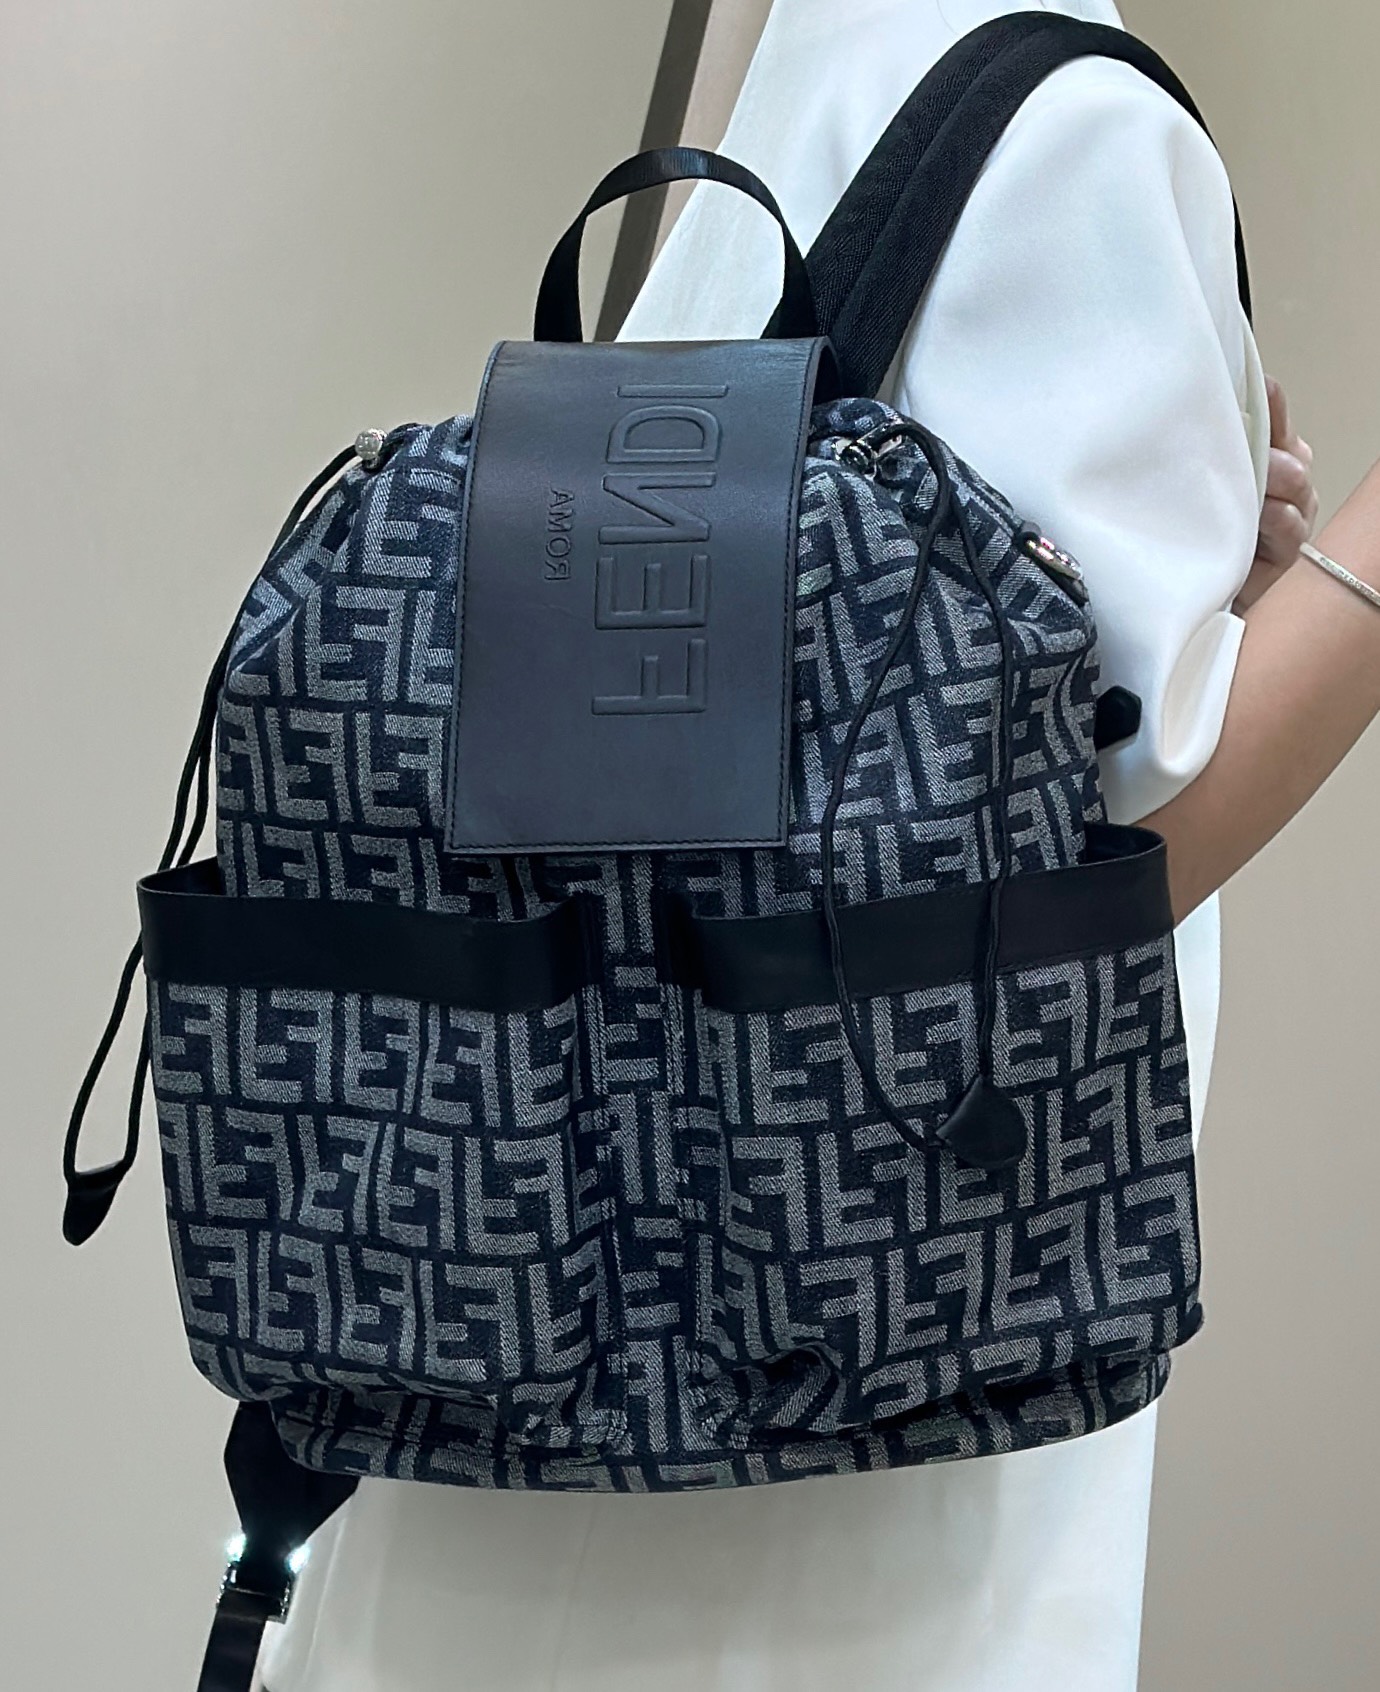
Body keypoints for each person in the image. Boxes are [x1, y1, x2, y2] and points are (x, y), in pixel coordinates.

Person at [260, 3, 1351, 1687]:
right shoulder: (1062, 107)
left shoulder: (816, 57)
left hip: (519, 1363)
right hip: (849, 1451)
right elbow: (1082, 884)